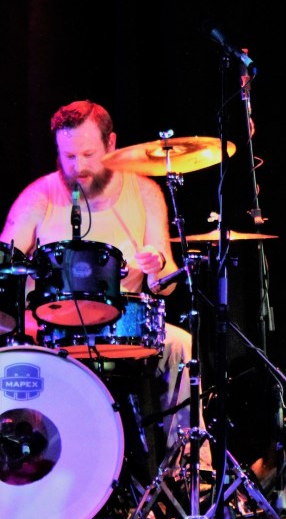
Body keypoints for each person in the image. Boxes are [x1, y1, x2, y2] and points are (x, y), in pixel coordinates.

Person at [0, 99, 210, 472]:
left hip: (124, 329)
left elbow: (165, 285)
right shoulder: (40, 195)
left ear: (111, 143)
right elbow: (6, 263)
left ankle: (192, 472)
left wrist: (156, 266)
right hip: (50, 332)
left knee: (180, 344)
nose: (77, 166)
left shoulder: (144, 192)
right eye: (68, 156)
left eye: (88, 154)